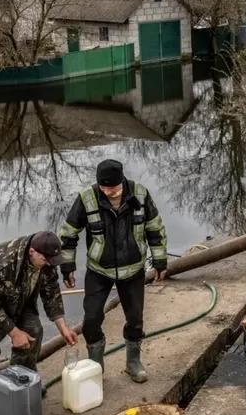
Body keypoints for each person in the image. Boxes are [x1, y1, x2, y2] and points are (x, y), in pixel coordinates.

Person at [59, 158, 167, 383]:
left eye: (114, 188)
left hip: (133, 270)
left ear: (123, 182)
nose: (110, 193)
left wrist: (159, 261)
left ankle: (133, 362)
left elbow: (154, 228)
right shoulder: (86, 199)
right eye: (105, 188)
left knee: (135, 319)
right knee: (91, 319)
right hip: (99, 270)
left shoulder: (140, 194)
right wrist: (67, 266)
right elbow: (69, 233)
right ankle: (96, 367)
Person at [0, 231, 78, 412]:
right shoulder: (0, 264)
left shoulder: (47, 259)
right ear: (32, 252)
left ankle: (22, 379)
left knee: (34, 330)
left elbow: (51, 292)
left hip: (18, 298)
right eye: (45, 260)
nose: (49, 265)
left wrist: (63, 327)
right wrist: (14, 333)